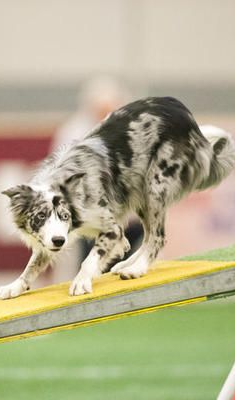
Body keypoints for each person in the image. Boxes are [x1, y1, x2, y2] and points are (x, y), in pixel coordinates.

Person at [50, 77, 144, 281]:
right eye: (102, 109)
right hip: (91, 216)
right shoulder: (73, 133)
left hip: (128, 217)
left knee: (125, 269)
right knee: (93, 267)